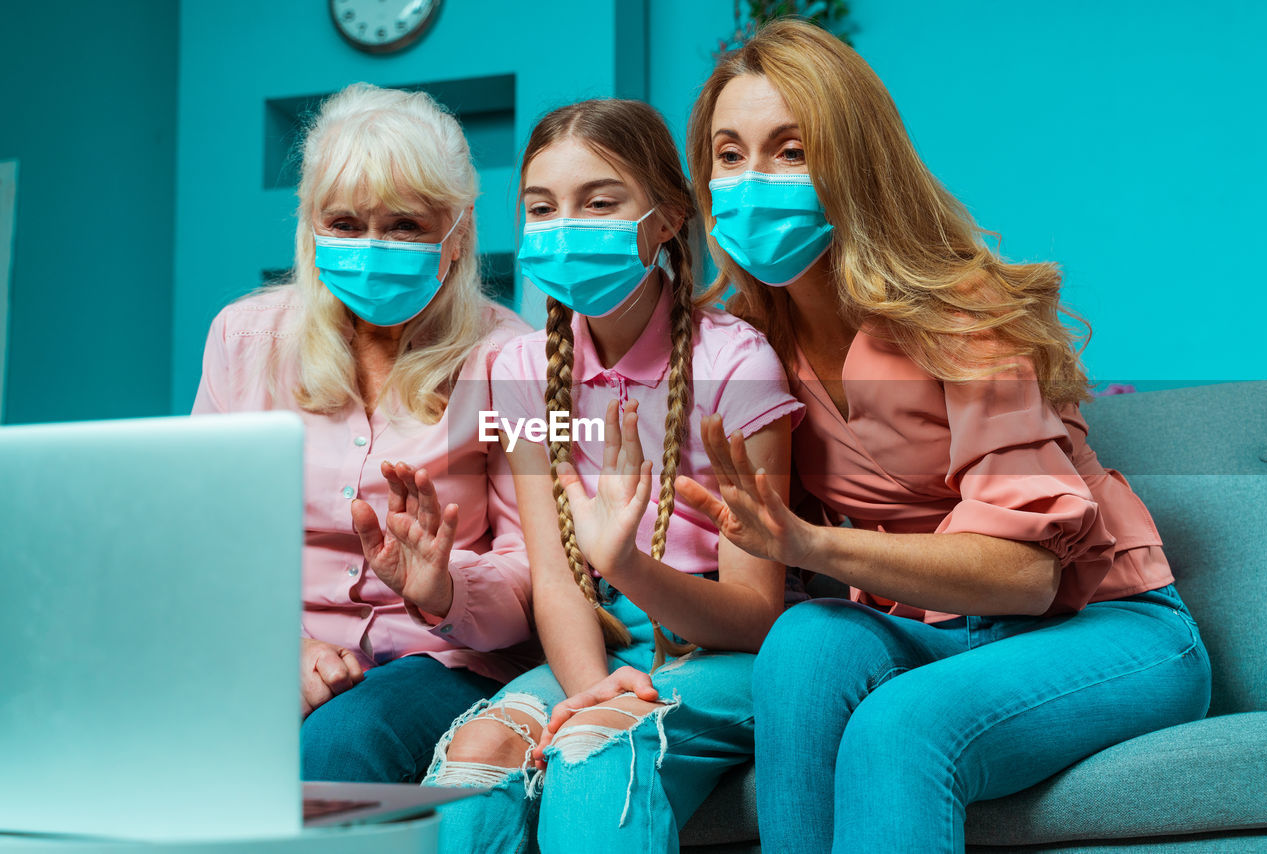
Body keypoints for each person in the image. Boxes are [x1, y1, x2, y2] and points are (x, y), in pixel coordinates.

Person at [678, 19, 1212, 853]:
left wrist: (810, 543)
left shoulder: (959, 316)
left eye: (790, 151)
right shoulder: (751, 351)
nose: (753, 181)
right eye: (730, 154)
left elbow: (1030, 576)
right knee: (807, 640)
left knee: (901, 726)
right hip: (948, 634)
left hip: (1107, 627)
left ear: (854, 163)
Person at [421, 98, 805, 852]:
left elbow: (755, 614)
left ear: (664, 219)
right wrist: (590, 683)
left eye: (599, 203)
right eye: (542, 207)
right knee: (476, 758)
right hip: (599, 641)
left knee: (595, 746)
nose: (566, 227)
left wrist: (624, 563)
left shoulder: (739, 363)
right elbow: (558, 580)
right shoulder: (521, 368)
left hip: (727, 652)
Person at [192, 83, 535, 784]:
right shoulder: (244, 338)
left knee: (341, 742)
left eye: (405, 225)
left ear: (459, 230)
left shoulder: (511, 357)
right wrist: (278, 648)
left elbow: (539, 573)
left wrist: (444, 589)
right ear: (309, 226)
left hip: (439, 660)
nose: (372, 248)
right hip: (274, 650)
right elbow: (207, 540)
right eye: (344, 224)